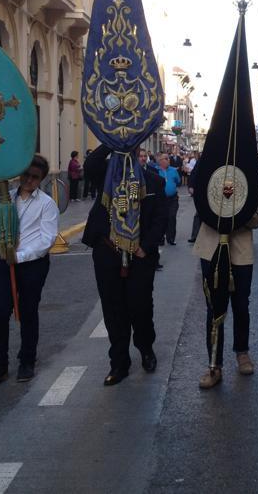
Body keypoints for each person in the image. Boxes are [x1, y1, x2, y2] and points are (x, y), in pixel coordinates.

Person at [82, 145, 168, 386]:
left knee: (140, 307)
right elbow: (90, 165)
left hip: (139, 255)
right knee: (113, 309)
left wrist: (146, 246)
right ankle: (119, 363)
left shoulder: (153, 182)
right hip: (107, 252)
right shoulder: (105, 177)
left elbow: (160, 219)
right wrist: (113, 140)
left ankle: (146, 348)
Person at [0, 154, 59, 386]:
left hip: (33, 264)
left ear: (41, 180)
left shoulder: (47, 204)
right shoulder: (5, 200)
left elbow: (47, 240)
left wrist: (20, 255)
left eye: (35, 177)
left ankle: (27, 360)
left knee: (27, 311)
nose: (29, 180)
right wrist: (2, 248)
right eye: (26, 175)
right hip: (5, 263)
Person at [193, 206, 258, 388]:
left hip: (241, 251)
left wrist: (237, 213)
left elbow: (257, 219)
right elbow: (201, 205)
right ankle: (214, 364)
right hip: (211, 247)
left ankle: (242, 351)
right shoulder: (206, 175)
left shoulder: (250, 177)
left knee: (241, 304)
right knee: (214, 308)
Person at [156, 153, 181, 245]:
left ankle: (171, 238)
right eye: (166, 158)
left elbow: (178, 181)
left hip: (173, 199)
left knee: (172, 217)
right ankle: (161, 238)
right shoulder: (156, 170)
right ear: (160, 161)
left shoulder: (173, 170)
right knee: (161, 218)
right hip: (161, 200)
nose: (168, 160)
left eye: (168, 158)